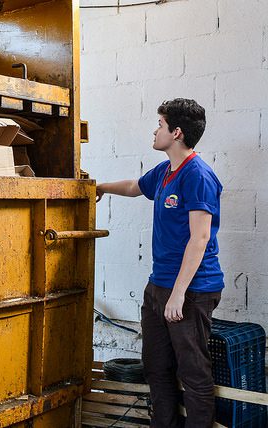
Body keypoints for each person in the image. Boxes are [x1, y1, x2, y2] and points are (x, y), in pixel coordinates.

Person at [96, 98, 224, 427]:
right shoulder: (166, 171)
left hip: (192, 290)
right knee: (156, 368)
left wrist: (179, 294)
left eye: (160, 124)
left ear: (176, 132)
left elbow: (199, 239)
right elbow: (135, 186)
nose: (155, 130)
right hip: (159, 286)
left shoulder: (198, 175)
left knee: (193, 374)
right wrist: (98, 188)